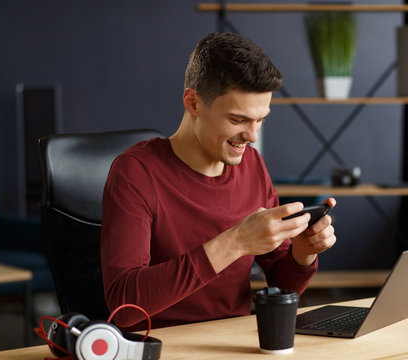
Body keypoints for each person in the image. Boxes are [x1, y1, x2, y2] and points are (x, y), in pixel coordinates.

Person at [100, 32, 336, 331]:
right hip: (162, 345)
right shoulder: (135, 173)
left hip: (235, 341)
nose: (252, 136)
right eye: (238, 120)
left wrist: (303, 253)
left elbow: (281, 282)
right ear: (193, 102)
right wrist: (235, 242)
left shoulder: (252, 165)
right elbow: (123, 306)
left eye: (261, 119)